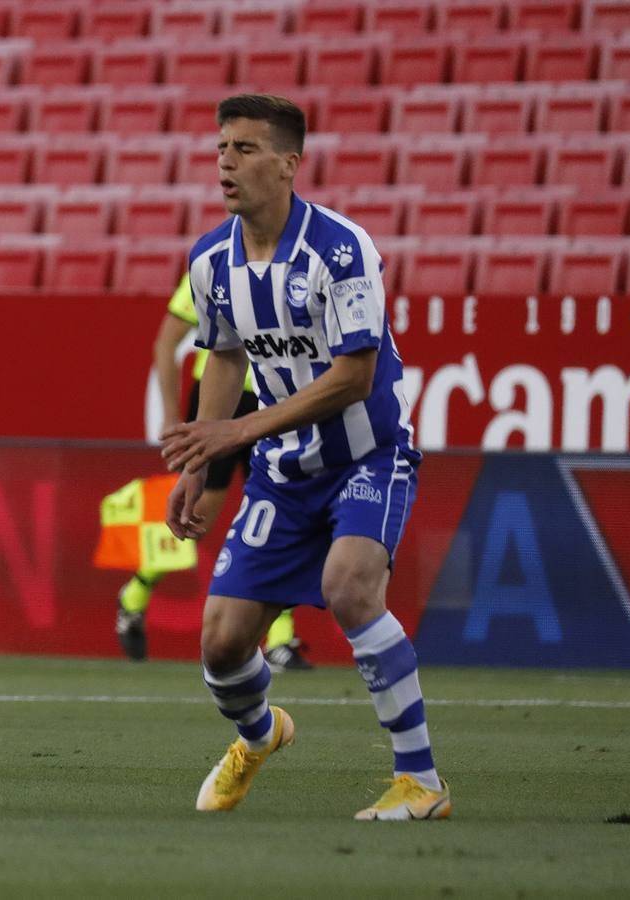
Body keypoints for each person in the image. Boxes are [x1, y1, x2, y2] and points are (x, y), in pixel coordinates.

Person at [162, 94, 450, 821]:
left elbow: (354, 375)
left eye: (247, 148)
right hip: (282, 475)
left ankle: (421, 780)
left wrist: (238, 432)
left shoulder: (341, 249)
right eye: (222, 147)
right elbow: (224, 356)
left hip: (368, 456)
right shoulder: (210, 260)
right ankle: (259, 736)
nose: (227, 161)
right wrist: (201, 457)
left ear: (290, 164)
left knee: (351, 589)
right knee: (222, 645)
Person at [115, 273, 313, 673]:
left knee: (286, 508)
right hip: (221, 399)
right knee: (197, 514)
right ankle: (134, 595)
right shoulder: (214, 264)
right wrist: (172, 415)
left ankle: (279, 639)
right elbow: (166, 341)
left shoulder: (295, 265)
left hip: (277, 400)